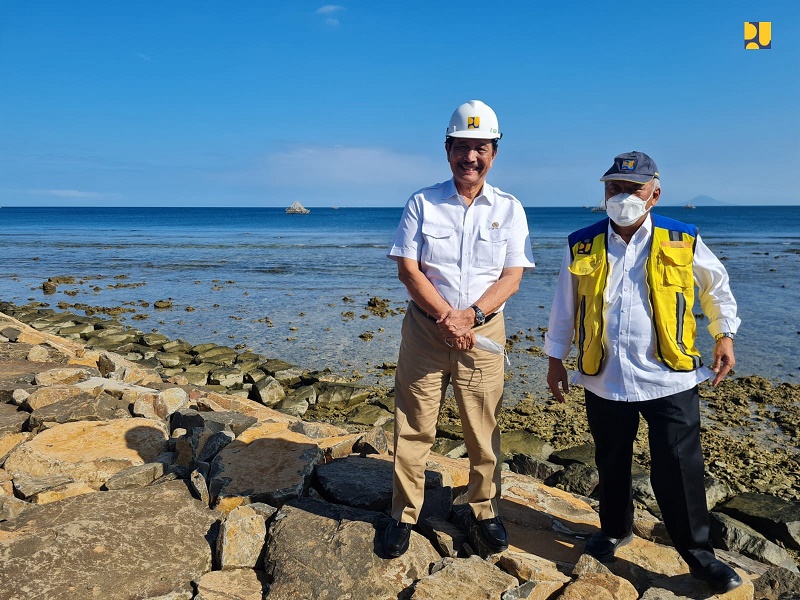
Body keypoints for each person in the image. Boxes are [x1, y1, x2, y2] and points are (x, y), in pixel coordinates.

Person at [544, 151, 743, 592]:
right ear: (604, 191)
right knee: (611, 460)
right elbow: (564, 305)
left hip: (668, 376)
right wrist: (555, 359)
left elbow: (717, 289)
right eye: (614, 187)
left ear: (654, 193)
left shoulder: (682, 238)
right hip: (603, 376)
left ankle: (698, 554)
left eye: (633, 188)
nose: (622, 196)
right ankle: (615, 529)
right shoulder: (583, 242)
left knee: (679, 466)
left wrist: (724, 336)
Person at [383, 100, 535, 558]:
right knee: (412, 426)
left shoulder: (509, 208)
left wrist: (470, 316)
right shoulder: (422, 203)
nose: (471, 157)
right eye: (462, 147)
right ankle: (402, 514)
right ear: (447, 149)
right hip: (427, 332)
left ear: (494, 152)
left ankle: (482, 508)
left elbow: (512, 275)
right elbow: (408, 270)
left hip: (484, 332)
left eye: (481, 148)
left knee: (482, 428)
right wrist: (448, 317)